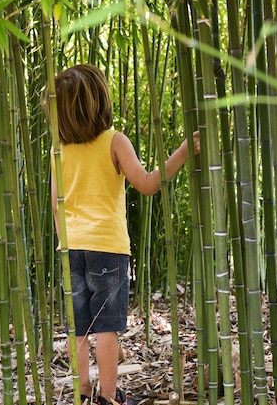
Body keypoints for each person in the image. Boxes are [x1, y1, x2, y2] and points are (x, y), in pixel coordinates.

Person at [46, 64, 201, 405]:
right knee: (106, 327)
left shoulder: (59, 149)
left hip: (70, 248)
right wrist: (184, 151)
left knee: (80, 327)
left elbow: (56, 206)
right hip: (107, 248)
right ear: (101, 101)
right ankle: (109, 397)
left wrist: (65, 242)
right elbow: (147, 184)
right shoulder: (114, 141)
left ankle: (82, 391)